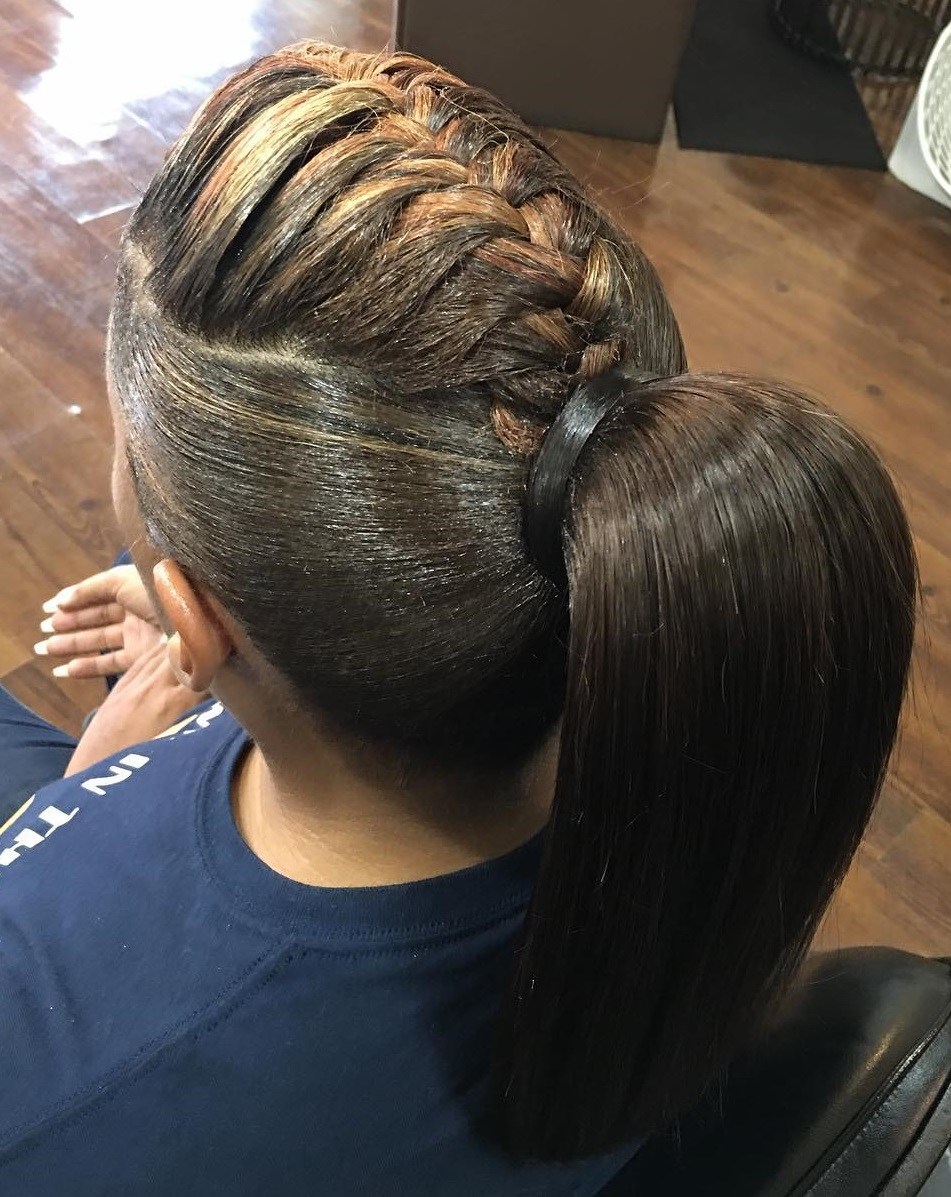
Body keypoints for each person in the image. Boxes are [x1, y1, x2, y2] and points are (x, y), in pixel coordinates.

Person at [0, 42, 917, 1195]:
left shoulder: (38, 1058)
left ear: (195, 616)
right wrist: (231, 650)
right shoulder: (686, 737)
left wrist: (78, 800)